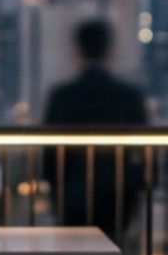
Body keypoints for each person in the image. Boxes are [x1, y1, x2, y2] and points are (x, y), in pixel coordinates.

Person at [41, 18, 151, 238]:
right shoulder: (128, 96)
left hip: (71, 192)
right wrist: (137, 185)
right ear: (110, 51)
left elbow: (50, 152)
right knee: (112, 252)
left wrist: (54, 188)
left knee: (74, 252)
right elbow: (143, 149)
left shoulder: (62, 96)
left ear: (77, 51)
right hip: (118, 194)